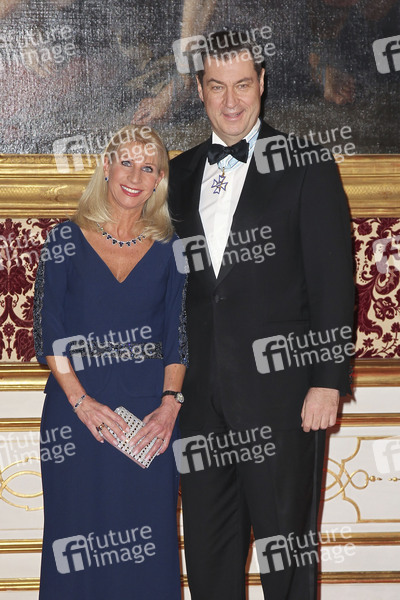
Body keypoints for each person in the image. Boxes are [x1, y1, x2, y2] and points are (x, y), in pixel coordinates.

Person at [168, 32, 354, 600]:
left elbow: (332, 283)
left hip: (284, 398)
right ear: (199, 89)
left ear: (262, 84)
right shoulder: (177, 174)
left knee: (286, 555)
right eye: (217, 86)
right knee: (208, 553)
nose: (231, 101)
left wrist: (327, 381)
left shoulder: (307, 165)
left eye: (243, 85)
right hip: (199, 402)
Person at [33, 125, 187, 599]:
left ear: (159, 180)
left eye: (148, 168)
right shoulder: (64, 239)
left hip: (150, 420)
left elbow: (180, 336)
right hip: (75, 416)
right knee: (76, 540)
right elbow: (48, 333)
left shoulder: (172, 249)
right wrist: (81, 403)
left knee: (148, 545)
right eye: (127, 162)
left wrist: (170, 406)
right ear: (106, 166)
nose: (135, 177)